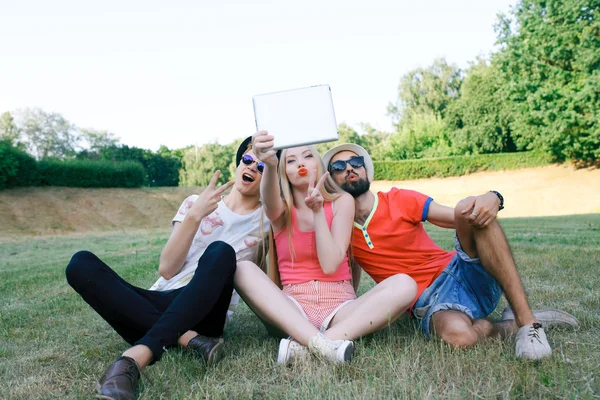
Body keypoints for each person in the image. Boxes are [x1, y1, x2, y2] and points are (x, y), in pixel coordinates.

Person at [321, 143, 580, 360]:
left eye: (355, 162)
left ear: (366, 168)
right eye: (338, 167)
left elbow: (459, 216)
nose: (349, 169)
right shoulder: (341, 229)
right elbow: (348, 274)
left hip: (461, 272)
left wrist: (494, 197)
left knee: (467, 209)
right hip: (430, 303)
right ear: (331, 180)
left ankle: (528, 324)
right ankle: (511, 324)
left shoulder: (400, 199)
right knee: (460, 337)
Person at [65, 137, 270, 400]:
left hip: (209, 310)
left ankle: (133, 359)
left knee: (221, 252)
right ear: (239, 162)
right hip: (164, 298)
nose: (253, 167)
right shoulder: (196, 202)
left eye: (263, 167)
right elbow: (168, 269)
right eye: (249, 159)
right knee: (80, 264)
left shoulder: (267, 222)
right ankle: (188, 340)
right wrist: (195, 215)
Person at [231, 131, 417, 365]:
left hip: (340, 310)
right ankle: (325, 346)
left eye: (307, 156)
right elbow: (268, 197)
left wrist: (318, 211)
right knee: (242, 268)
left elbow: (330, 265)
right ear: (284, 172)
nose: (300, 163)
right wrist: (269, 164)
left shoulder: (342, 202)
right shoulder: (281, 210)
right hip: (293, 309)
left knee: (405, 284)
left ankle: (309, 345)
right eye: (290, 160)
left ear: (318, 165)